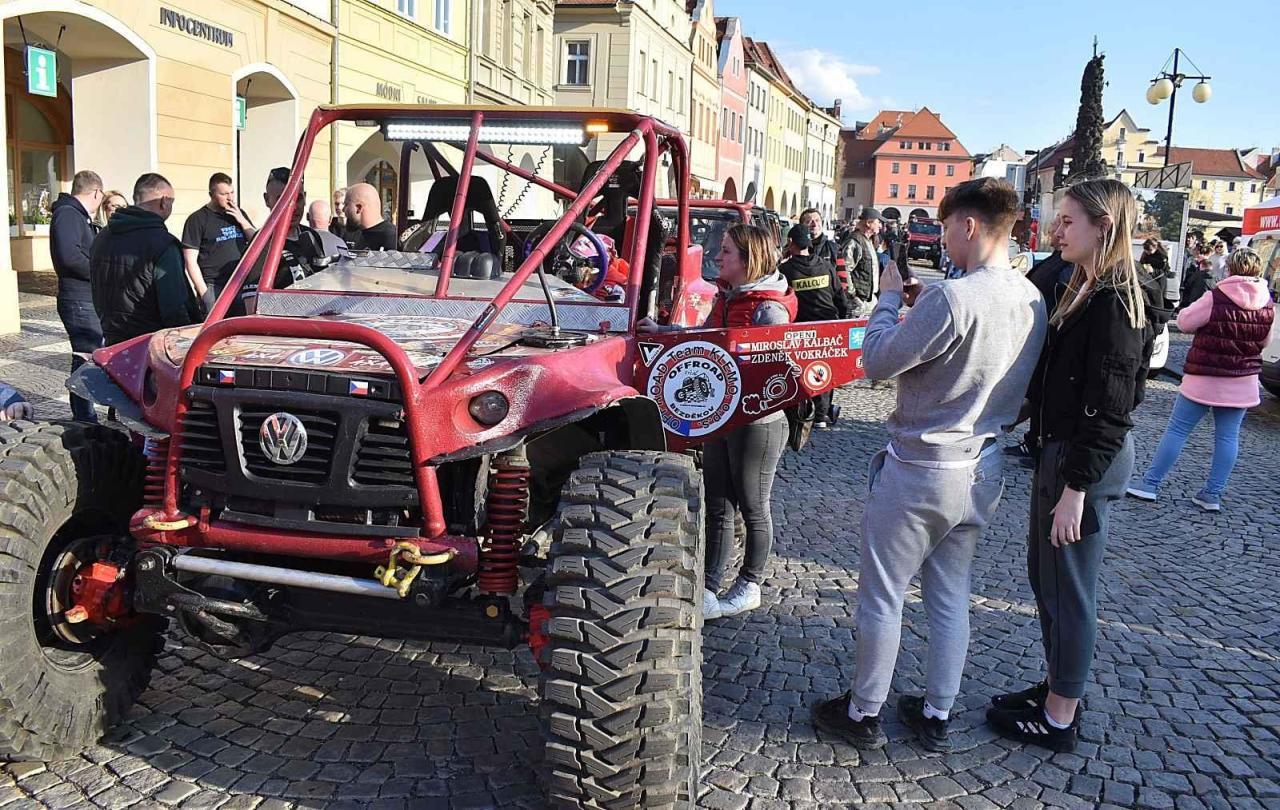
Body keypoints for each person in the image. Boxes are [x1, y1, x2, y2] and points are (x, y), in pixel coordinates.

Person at [810, 178, 1047, 753]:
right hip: (984, 464)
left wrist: (889, 298)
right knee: (949, 593)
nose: (942, 237)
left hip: (924, 466)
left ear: (968, 225)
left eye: (945, 227)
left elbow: (876, 360)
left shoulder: (952, 296)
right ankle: (937, 712)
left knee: (883, 593)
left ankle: (864, 710)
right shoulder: (1031, 298)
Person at [988, 178, 1156, 753]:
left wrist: (1075, 489)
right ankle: (1058, 686)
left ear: (1103, 228)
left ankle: (1060, 717)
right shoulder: (1084, 285)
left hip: (1082, 464)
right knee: (1048, 581)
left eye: (1068, 221)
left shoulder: (1115, 302)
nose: (1055, 230)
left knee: (1071, 589)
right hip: (1061, 452)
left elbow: (1112, 410)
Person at [637, 224, 796, 619]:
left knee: (753, 505)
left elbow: (770, 369)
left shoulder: (767, 308)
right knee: (719, 504)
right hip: (721, 415)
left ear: (748, 259)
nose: (718, 257)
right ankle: (708, 587)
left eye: (726, 252)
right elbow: (704, 337)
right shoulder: (729, 296)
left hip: (758, 422)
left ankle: (749, 585)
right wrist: (665, 333)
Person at [1127, 247, 1274, 511]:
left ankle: (1150, 484)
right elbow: (1264, 341)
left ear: (1229, 268)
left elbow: (1184, 322)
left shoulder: (1217, 296)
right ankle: (1212, 495)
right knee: (1228, 438)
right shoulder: (1267, 303)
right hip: (1242, 380)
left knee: (1178, 430)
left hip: (1205, 377)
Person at [91, 173, 203, 345]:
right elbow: (174, 306)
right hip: (150, 343)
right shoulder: (163, 244)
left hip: (113, 338)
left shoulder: (102, 236)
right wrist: (184, 343)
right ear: (164, 201)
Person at [779, 223, 849, 428]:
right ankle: (822, 414)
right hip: (828, 328)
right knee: (824, 369)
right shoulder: (826, 266)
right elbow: (841, 300)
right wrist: (840, 322)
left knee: (799, 370)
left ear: (791, 243)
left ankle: (799, 412)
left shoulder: (786, 270)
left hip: (800, 330)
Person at [49, 169, 106, 423]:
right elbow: (70, 258)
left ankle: (86, 414)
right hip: (78, 299)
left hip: (84, 297)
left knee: (89, 357)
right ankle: (84, 418)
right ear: (96, 192)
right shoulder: (68, 214)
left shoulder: (78, 216)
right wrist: (101, 273)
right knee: (86, 358)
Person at [182, 172, 257, 307]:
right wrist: (204, 292)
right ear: (211, 194)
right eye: (224, 194)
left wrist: (242, 221)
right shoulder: (197, 219)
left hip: (240, 283)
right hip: (214, 286)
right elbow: (190, 260)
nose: (230, 198)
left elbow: (258, 243)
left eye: (232, 192)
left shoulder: (238, 214)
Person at [844, 207, 883, 313]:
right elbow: (844, 270)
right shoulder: (854, 242)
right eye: (878, 222)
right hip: (858, 302)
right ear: (868, 223)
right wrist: (853, 295)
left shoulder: (869, 241)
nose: (880, 226)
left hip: (870, 299)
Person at [343, 182, 399, 251]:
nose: (343, 210)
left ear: (359, 208)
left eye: (346, 205)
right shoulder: (358, 234)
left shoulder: (392, 239)